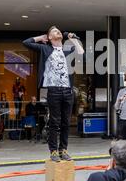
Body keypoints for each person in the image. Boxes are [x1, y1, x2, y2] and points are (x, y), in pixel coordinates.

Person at [23, 26, 84, 162]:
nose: (58, 32)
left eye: (58, 31)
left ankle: (64, 150)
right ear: (49, 37)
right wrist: (41, 38)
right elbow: (26, 42)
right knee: (54, 122)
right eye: (54, 31)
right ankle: (54, 151)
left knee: (66, 122)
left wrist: (72, 39)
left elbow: (81, 53)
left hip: (68, 90)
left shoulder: (68, 49)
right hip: (54, 90)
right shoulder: (46, 49)